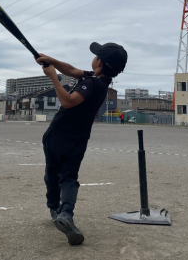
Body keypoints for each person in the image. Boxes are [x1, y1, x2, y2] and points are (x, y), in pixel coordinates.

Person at [36, 42, 127, 246]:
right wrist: (52, 61)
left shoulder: (91, 83)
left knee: (52, 174)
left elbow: (68, 101)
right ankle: (66, 213)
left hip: (57, 135)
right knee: (69, 177)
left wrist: (53, 77)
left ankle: (54, 208)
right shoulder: (100, 82)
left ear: (100, 63)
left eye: (96, 56)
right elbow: (72, 70)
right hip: (78, 140)